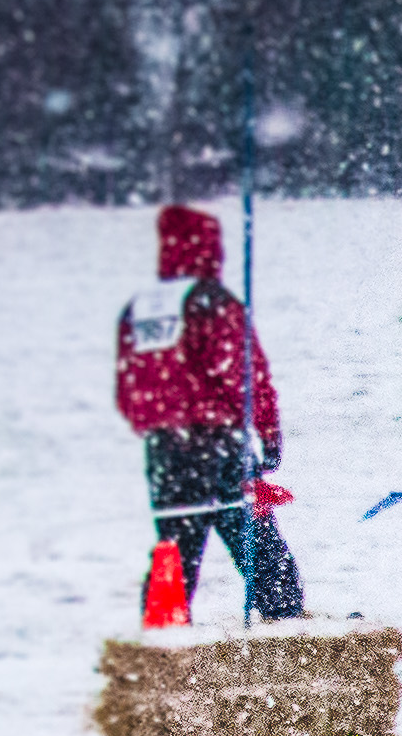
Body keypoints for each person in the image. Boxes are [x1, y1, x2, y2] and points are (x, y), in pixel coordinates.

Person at [112, 204, 303, 618]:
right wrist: (268, 436)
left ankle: (160, 654)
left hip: (164, 450)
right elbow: (247, 379)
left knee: (174, 563)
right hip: (218, 446)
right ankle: (290, 646)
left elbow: (128, 396)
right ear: (209, 250)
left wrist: (166, 423)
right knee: (267, 561)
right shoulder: (212, 302)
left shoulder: (139, 308)